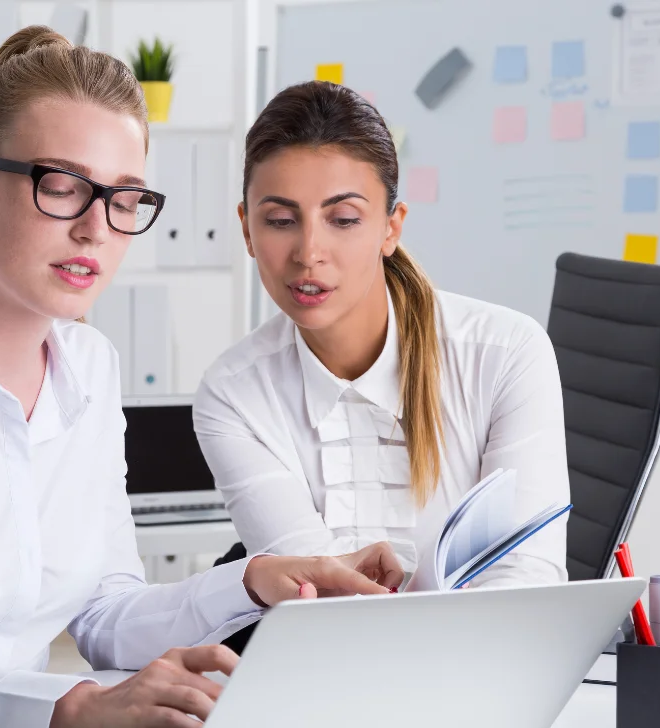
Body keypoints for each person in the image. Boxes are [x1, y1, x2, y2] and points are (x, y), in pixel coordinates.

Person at [0, 30, 404, 728]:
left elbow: (105, 615)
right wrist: (69, 708)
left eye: (124, 199)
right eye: (63, 187)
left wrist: (255, 584)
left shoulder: (90, 367)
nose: (96, 229)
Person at [193, 81, 570, 652]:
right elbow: (315, 601)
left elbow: (526, 580)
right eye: (280, 220)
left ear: (390, 227)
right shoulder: (234, 393)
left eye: (342, 219)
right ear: (247, 228)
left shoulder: (507, 353)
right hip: (328, 678)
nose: (308, 252)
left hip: (484, 674)